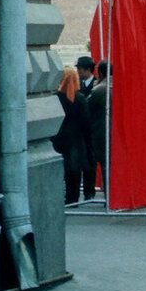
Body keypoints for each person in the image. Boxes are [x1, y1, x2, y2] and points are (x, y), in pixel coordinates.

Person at [53, 67, 93, 204]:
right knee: (74, 169)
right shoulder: (80, 98)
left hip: (58, 137)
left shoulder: (56, 97)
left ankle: (61, 194)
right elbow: (86, 120)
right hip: (76, 138)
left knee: (61, 168)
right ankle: (73, 196)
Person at [88, 60, 110, 189]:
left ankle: (108, 193)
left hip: (101, 131)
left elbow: (87, 108)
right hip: (118, 131)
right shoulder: (122, 86)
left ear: (100, 73)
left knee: (105, 163)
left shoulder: (99, 89)